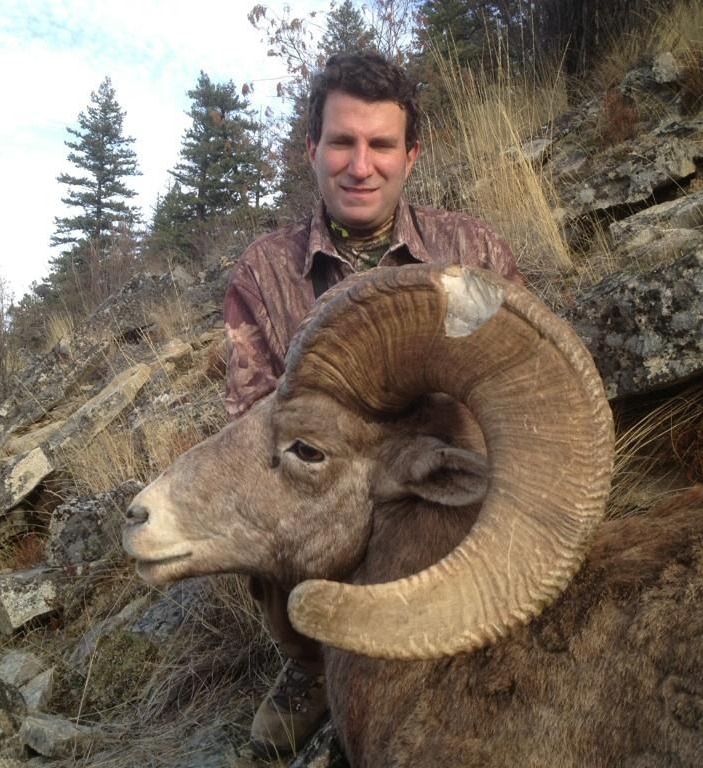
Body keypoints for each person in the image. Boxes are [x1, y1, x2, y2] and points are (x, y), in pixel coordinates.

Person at [222, 51, 523, 757]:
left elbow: (521, 386)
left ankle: (479, 628)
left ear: (411, 154)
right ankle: (314, 660)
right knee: (253, 498)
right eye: (342, 142)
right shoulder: (264, 273)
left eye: (382, 144)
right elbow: (256, 429)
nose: (361, 166)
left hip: (439, 491)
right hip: (327, 497)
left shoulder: (468, 250)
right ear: (312, 149)